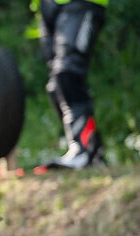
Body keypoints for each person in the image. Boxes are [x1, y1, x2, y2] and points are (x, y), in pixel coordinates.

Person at [36, 0, 107, 172]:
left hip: (81, 3)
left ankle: (85, 151)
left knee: (68, 74)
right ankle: (88, 151)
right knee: (56, 85)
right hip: (48, 6)